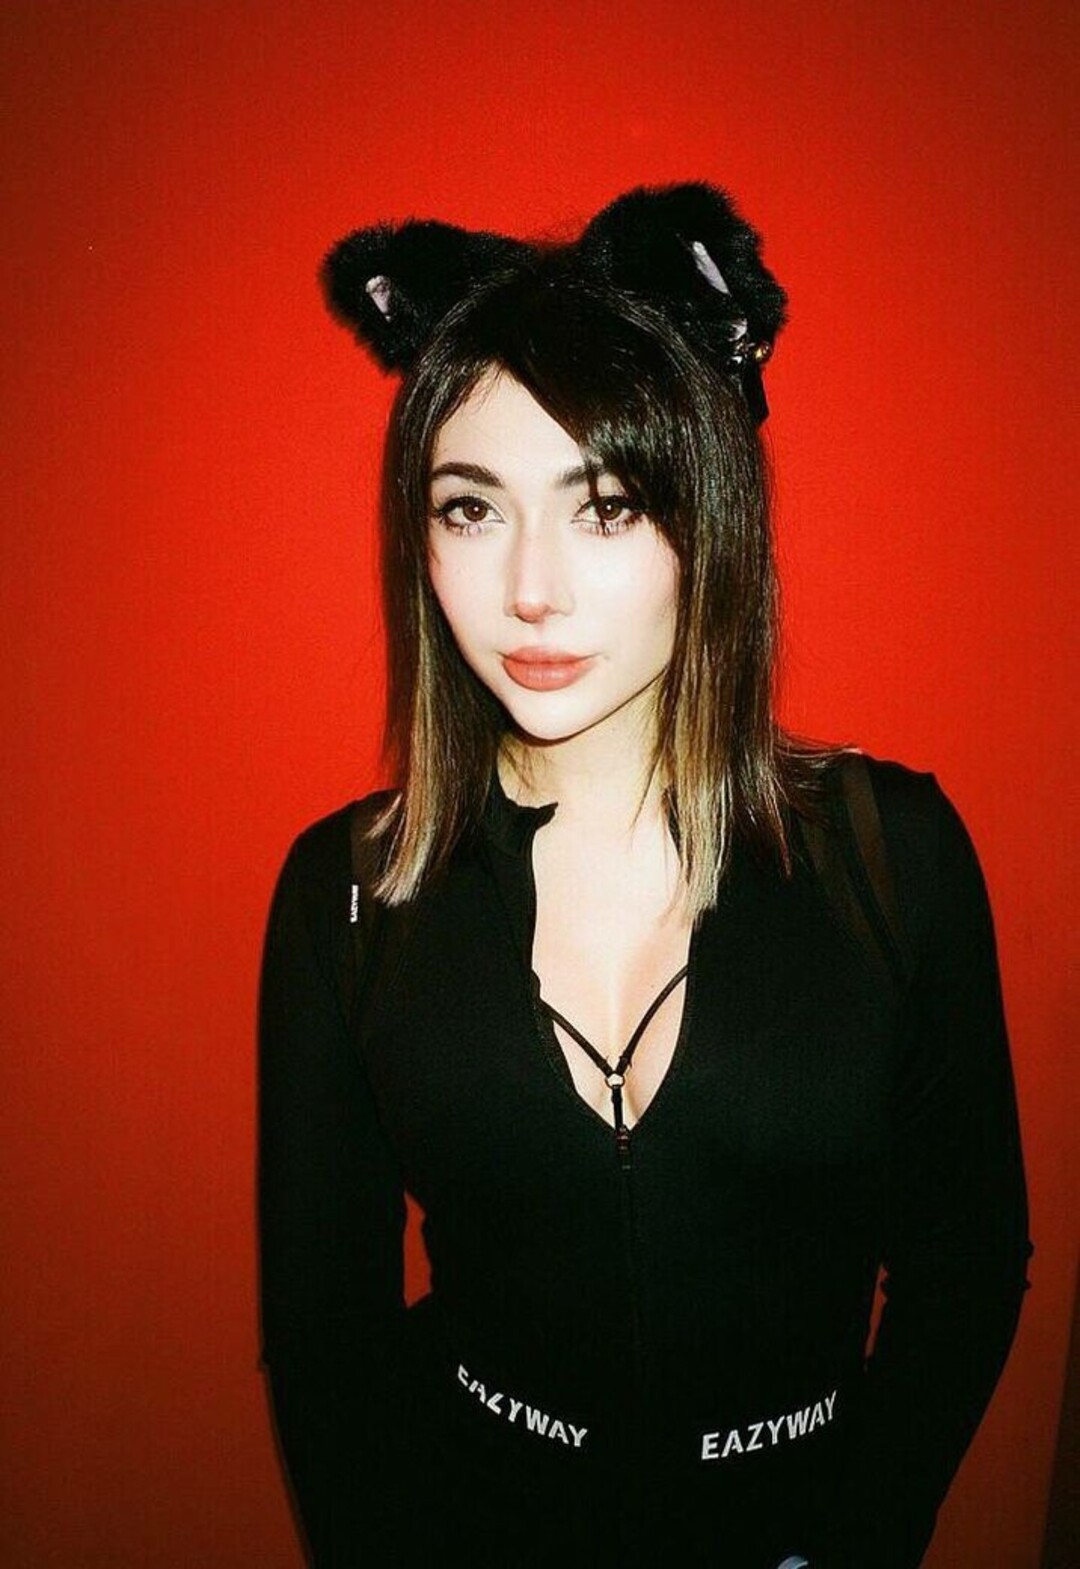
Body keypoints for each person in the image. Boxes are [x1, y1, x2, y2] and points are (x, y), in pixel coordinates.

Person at [257, 184, 1030, 1568]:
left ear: (707, 521)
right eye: (471, 508)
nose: (531, 588)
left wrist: (862, 1538)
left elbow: (966, 1262)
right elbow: (326, 1332)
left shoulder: (889, 852)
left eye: (606, 507)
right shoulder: (348, 893)